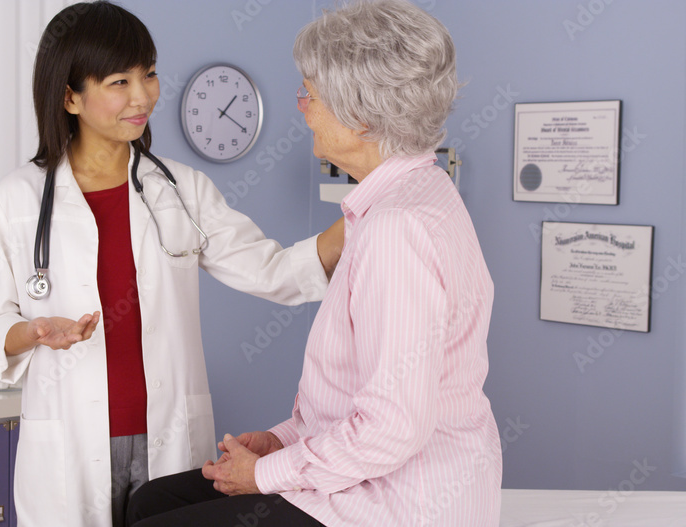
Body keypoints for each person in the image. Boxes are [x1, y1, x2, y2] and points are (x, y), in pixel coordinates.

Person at [0, 2, 343, 526]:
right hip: (69, 440)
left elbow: (272, 271)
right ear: (70, 96)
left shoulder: (181, 189)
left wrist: (363, 213)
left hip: (168, 433)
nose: (142, 96)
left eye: (149, 74)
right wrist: (33, 331)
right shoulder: (17, 199)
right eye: (119, 81)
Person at [126, 1, 503, 526]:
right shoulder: (416, 192)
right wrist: (284, 439)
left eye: (311, 95)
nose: (302, 109)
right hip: (373, 477)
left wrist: (266, 473)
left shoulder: (396, 229)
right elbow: (360, 395)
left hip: (396, 503)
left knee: (156, 520)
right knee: (151, 501)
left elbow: (392, 428)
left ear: (361, 116)